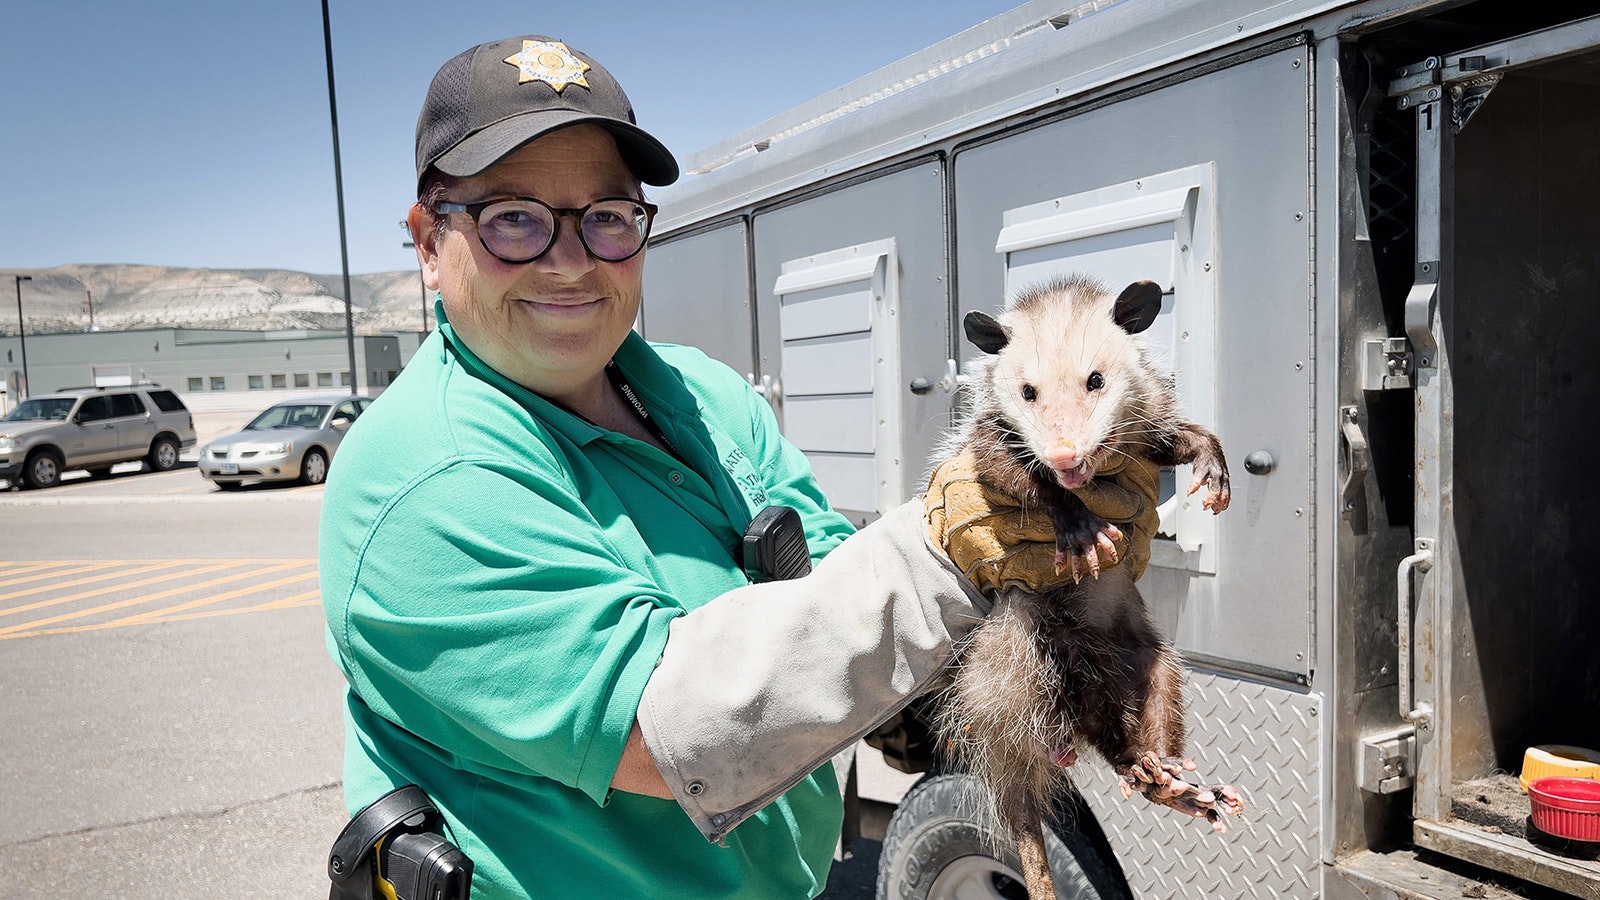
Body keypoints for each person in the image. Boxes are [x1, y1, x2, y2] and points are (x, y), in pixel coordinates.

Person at [320, 35, 1149, 900]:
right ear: (426, 240)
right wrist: (957, 536)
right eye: (513, 220)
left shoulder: (702, 396)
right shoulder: (426, 482)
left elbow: (828, 572)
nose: (569, 261)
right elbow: (680, 732)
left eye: (606, 217)